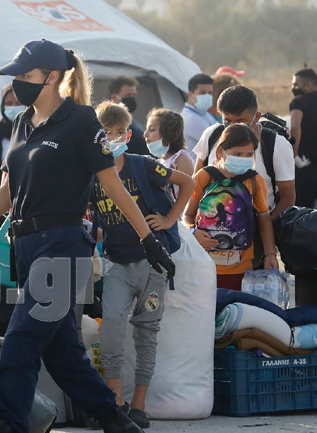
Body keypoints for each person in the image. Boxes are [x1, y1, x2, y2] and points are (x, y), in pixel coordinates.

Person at [0, 39, 175, 433]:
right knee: (63, 352)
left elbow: (115, 187)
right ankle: (113, 419)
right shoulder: (20, 123)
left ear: (51, 77)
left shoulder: (81, 121)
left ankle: (9, 425)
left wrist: (149, 241)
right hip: (26, 247)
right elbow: (9, 192)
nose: (17, 84)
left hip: (63, 247)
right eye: (16, 76)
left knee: (20, 341)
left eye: (25, 76)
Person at [92, 102, 195, 429]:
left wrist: (169, 219)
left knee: (147, 332)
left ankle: (139, 405)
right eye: (106, 133)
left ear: (129, 133)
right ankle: (116, 401)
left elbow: (188, 184)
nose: (113, 138)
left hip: (153, 264)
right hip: (116, 264)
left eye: (119, 132)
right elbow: (92, 219)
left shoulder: (141, 164)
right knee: (110, 327)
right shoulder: (91, 174)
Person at [184, 125, 279, 291]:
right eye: (237, 154)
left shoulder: (256, 181)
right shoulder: (204, 176)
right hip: (202, 266)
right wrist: (193, 232)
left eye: (249, 155)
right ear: (221, 152)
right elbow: (187, 215)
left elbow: (264, 219)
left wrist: (271, 254)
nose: (244, 158)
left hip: (241, 269)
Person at [193, 86, 296, 219]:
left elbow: (288, 198)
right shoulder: (211, 136)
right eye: (228, 121)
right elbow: (195, 188)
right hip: (211, 231)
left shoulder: (276, 145)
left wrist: (265, 231)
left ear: (257, 117)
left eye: (241, 122)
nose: (234, 128)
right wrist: (196, 230)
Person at [144, 108, 193, 199]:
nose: (145, 134)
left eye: (152, 129)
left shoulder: (181, 159)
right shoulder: (159, 162)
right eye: (146, 129)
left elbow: (189, 196)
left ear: (168, 133)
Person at [290, 68, 317, 208]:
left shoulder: (299, 102)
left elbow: (295, 126)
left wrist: (295, 156)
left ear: (308, 85)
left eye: (295, 84)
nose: (293, 88)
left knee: (303, 209)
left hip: (306, 163)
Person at [108, 76, 149, 156]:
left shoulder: (133, 122)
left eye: (133, 95)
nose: (132, 99)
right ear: (114, 97)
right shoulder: (109, 123)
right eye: (128, 96)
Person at [180, 73, 217, 154]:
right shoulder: (190, 118)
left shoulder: (204, 114)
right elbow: (218, 142)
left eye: (210, 93)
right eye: (202, 93)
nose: (207, 96)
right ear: (190, 94)